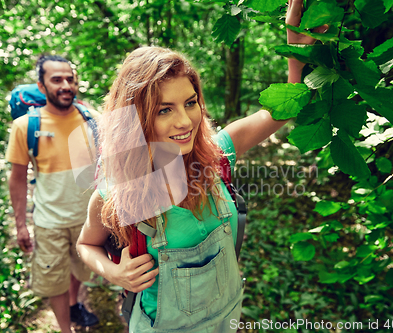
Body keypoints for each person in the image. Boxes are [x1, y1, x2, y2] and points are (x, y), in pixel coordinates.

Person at [77, 1, 326, 331]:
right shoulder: (117, 193)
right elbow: (86, 244)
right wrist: (113, 272)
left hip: (227, 318)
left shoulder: (218, 154)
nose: (185, 121)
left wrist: (298, 51)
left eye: (190, 103)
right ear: (136, 119)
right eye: (165, 109)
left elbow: (286, 106)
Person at [6, 55, 99, 332]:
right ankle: (65, 328)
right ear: (42, 85)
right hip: (50, 222)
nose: (66, 85)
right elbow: (18, 178)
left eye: (70, 79)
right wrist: (21, 224)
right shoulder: (25, 126)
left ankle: (74, 304)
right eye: (56, 79)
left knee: (80, 270)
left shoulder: (92, 119)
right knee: (54, 279)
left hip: (88, 219)